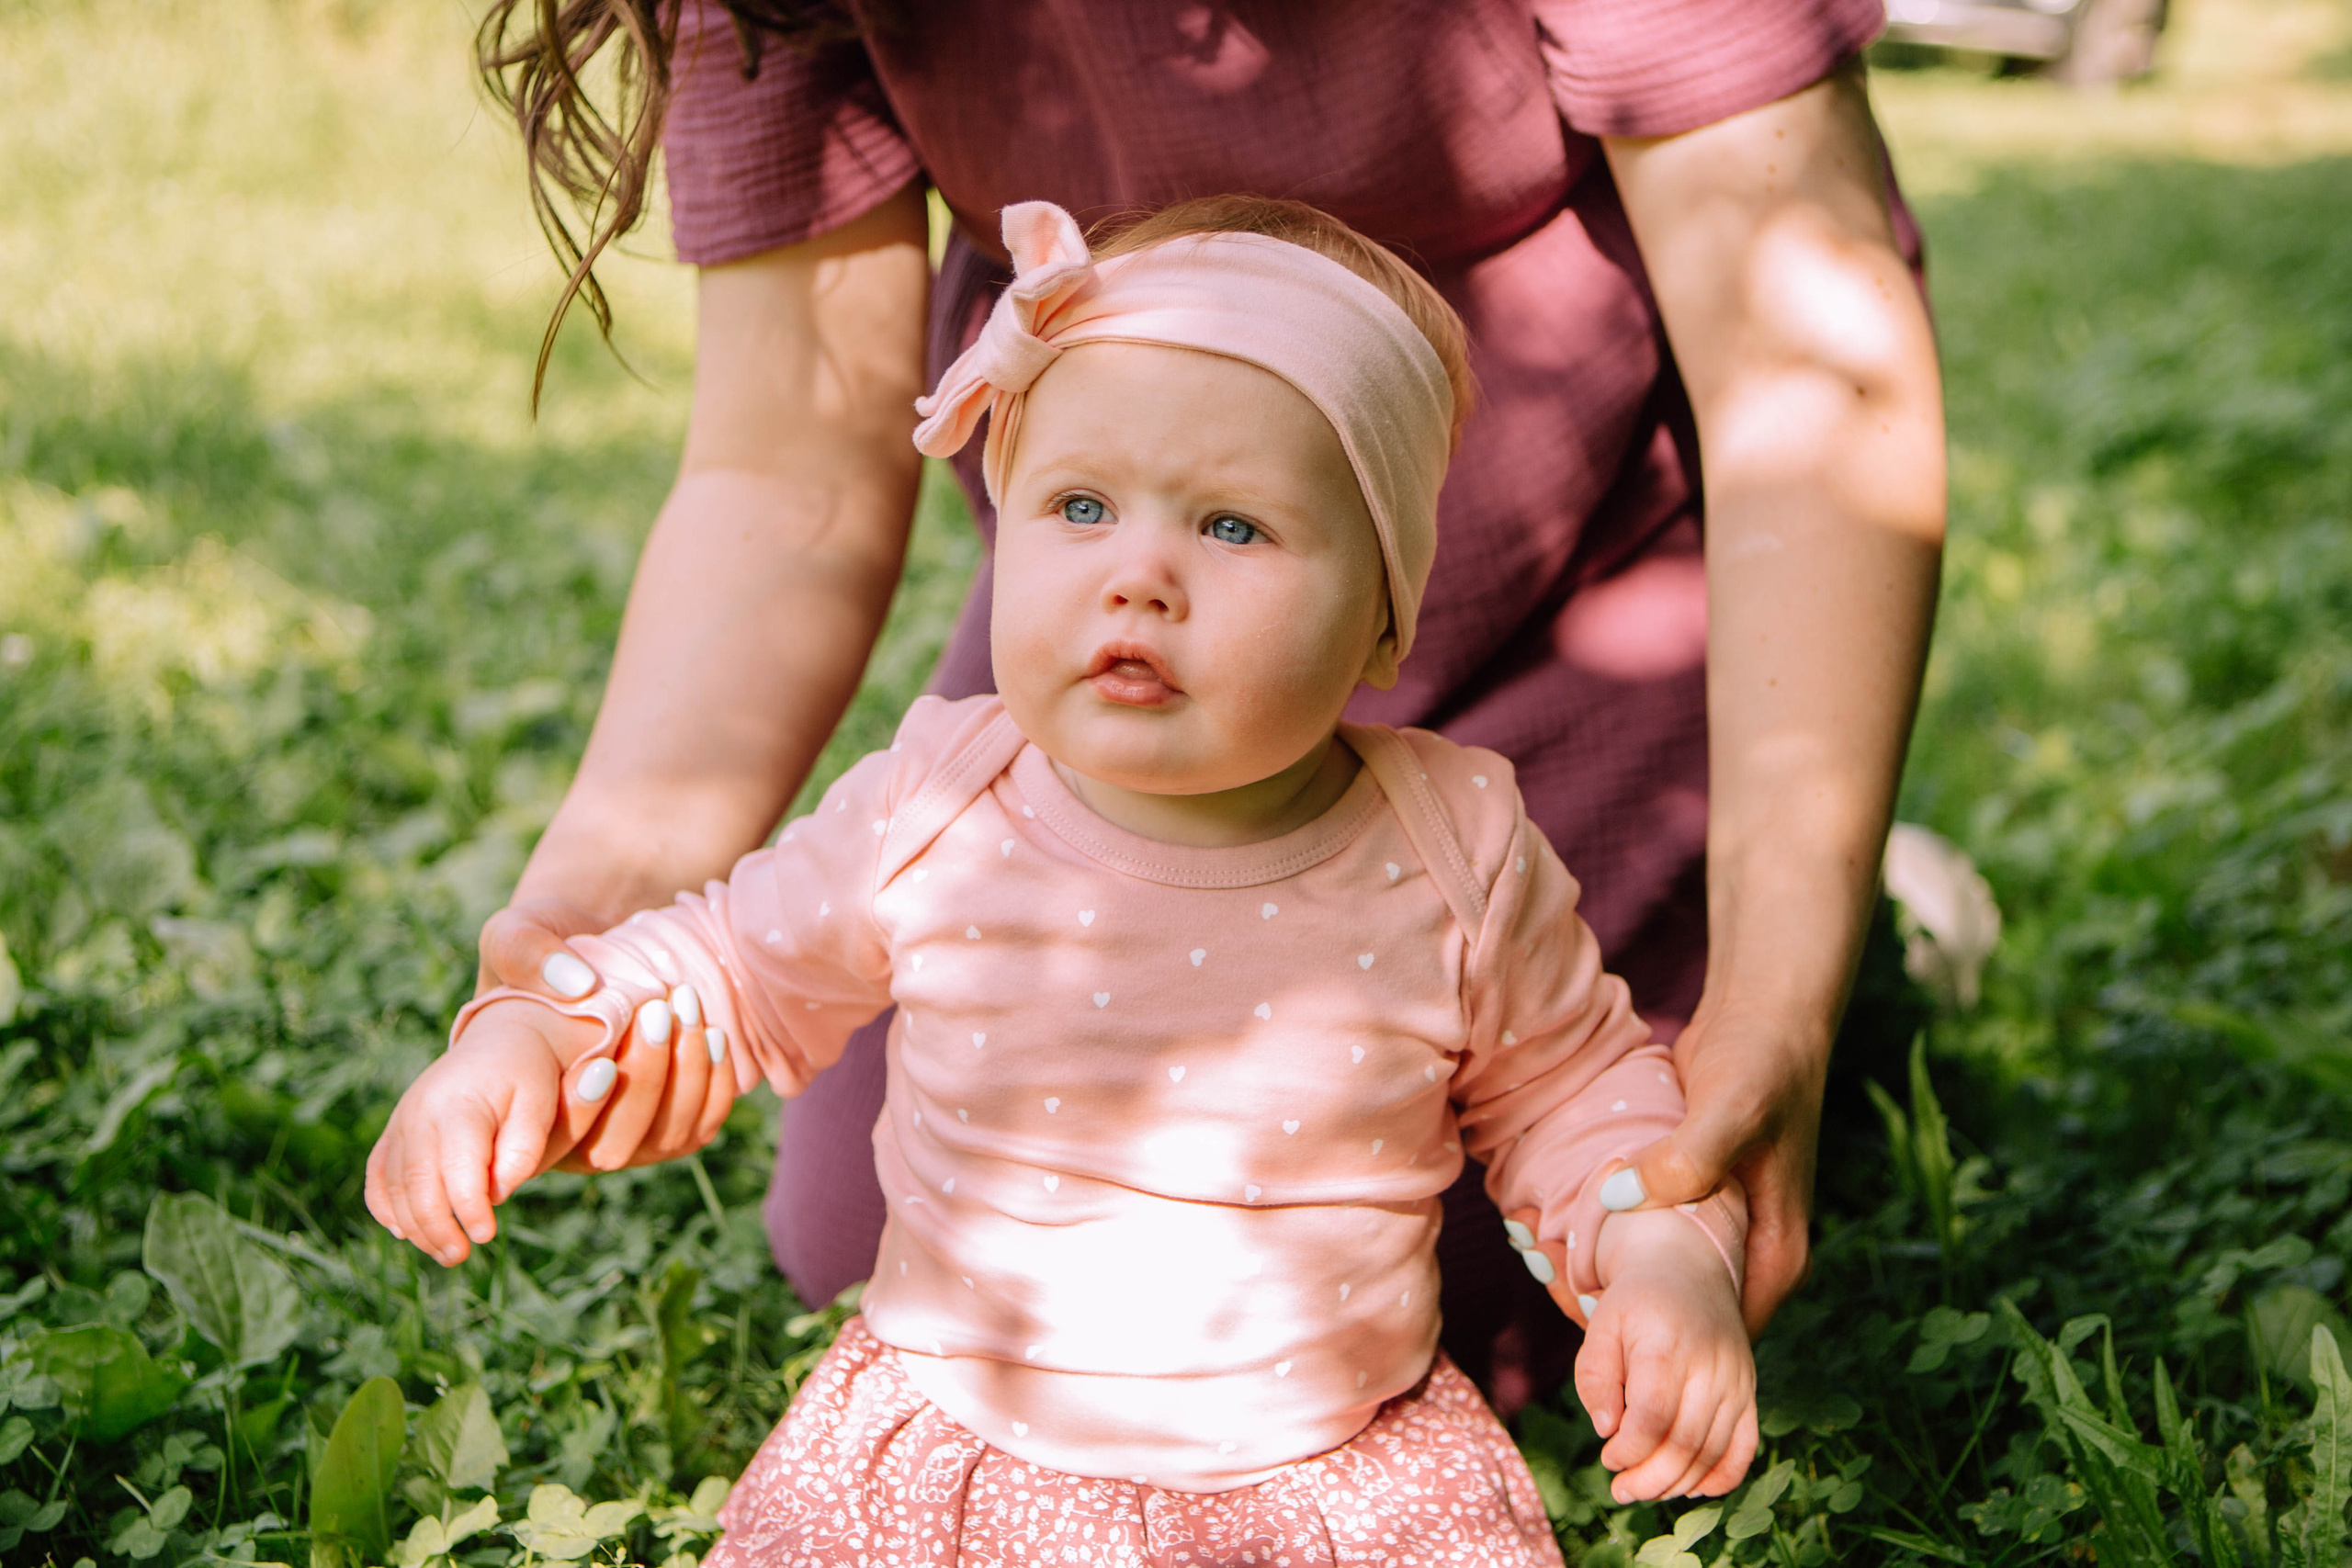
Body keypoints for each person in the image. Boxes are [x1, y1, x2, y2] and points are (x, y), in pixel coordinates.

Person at [468, 0, 1947, 1404]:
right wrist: (600, 913)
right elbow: (782, 461)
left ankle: (1829, 909)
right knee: (876, 1239)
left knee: (1543, 1293)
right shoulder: (952, 794)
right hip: (1134, 699)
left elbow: (1806, 362)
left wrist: (1778, 998)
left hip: (1601, 587)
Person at [368, 198, 1758, 1562]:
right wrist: (544, 1031)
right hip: (958, 1451)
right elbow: (728, 962)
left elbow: (1575, 1093)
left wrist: (1665, 1255)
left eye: (1232, 527)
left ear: (1381, 613)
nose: (1138, 576)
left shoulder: (1452, 848)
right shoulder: (938, 802)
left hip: (1330, 1468)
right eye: (1080, 506)